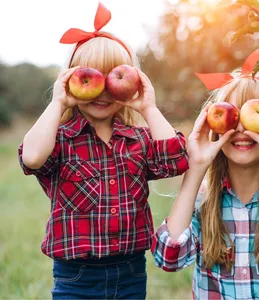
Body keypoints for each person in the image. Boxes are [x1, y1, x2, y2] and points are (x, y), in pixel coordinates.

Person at [17, 3, 189, 299]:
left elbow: (176, 160)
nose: (104, 89)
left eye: (115, 77)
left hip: (131, 272)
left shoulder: (137, 139)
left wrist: (148, 107)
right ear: (71, 81)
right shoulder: (61, 140)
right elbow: (31, 157)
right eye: (90, 77)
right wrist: (58, 103)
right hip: (76, 277)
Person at [152, 49, 259, 299]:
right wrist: (197, 167)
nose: (243, 128)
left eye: (255, 114)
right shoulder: (203, 201)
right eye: (232, 116)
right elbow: (168, 257)